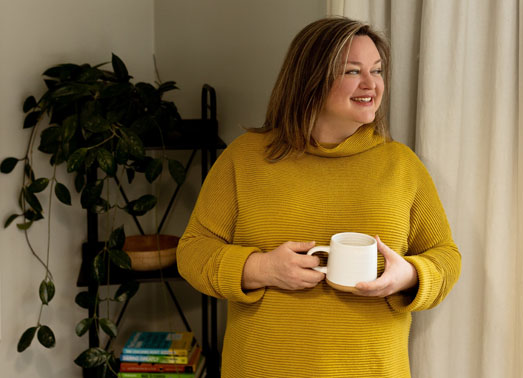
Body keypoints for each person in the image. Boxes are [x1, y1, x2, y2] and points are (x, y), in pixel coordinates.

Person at [176, 17, 461, 378]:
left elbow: (446, 257)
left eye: (377, 70)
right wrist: (262, 268)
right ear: (310, 79)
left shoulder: (401, 165)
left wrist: (408, 275)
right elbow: (192, 251)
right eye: (352, 71)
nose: (371, 84)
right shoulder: (243, 158)